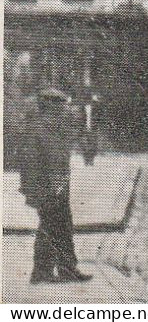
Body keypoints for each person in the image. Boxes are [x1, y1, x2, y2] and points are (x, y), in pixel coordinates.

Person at [19, 89, 91, 283]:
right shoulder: (37, 131)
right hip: (46, 189)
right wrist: (33, 193)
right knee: (52, 229)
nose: (64, 109)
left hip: (59, 187)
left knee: (59, 227)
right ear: (50, 107)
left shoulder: (57, 130)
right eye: (60, 106)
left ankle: (59, 269)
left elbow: (72, 144)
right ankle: (49, 271)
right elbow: (29, 164)